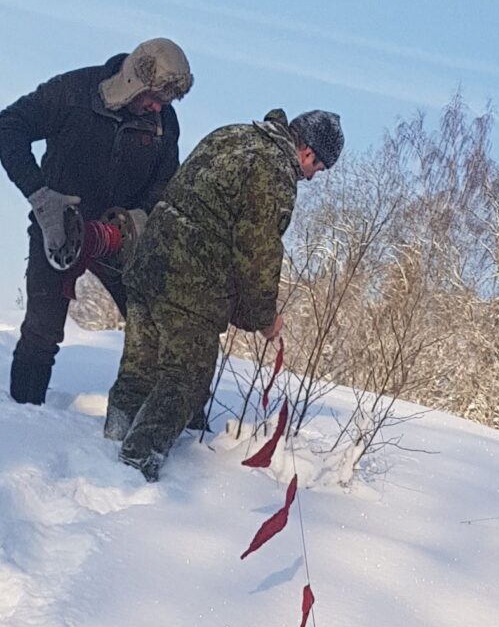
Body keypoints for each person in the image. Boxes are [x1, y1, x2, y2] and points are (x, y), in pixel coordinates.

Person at [103, 108, 344, 480]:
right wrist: (264, 317)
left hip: (148, 263)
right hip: (191, 282)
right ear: (308, 153)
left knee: (139, 369)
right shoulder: (275, 172)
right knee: (185, 379)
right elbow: (258, 252)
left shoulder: (232, 134)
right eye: (319, 169)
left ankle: (108, 446)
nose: (312, 177)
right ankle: (132, 471)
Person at [0, 40, 194, 405]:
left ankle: (162, 425)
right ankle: (20, 415)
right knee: (42, 330)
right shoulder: (75, 92)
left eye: (166, 102)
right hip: (57, 228)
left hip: (119, 237)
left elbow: (166, 185)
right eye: (154, 97)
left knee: (152, 326)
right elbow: (8, 126)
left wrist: (139, 217)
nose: (157, 107)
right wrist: (40, 196)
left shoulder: (164, 125)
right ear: (134, 79)